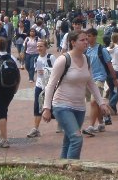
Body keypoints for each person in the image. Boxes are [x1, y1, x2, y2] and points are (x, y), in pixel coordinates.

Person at [41, 30, 111, 159]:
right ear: (73, 42)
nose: (86, 42)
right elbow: (51, 84)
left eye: (87, 39)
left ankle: (61, 170)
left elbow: (91, 83)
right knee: (77, 139)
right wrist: (46, 108)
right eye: (82, 40)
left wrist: (101, 103)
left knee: (69, 140)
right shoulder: (64, 60)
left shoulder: (86, 59)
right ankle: (72, 170)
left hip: (79, 107)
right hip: (62, 105)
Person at [82, 28, 118, 134]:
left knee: (94, 102)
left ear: (94, 36)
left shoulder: (102, 50)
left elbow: (109, 65)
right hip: (88, 79)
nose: (87, 39)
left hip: (99, 79)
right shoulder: (85, 50)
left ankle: (91, 126)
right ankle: (101, 123)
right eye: (86, 36)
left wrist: (114, 79)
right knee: (96, 103)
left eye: (89, 36)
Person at [27, 39, 53, 138]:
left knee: (55, 106)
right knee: (37, 106)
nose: (39, 48)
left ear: (46, 47)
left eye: (41, 46)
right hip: (39, 86)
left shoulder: (51, 58)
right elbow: (39, 73)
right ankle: (36, 129)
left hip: (50, 86)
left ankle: (62, 124)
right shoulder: (36, 59)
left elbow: (56, 71)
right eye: (37, 46)